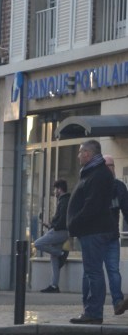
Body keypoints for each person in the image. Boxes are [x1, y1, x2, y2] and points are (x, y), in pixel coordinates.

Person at [67, 139, 114, 325]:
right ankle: (90, 310)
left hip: (94, 230)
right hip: (90, 230)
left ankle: (93, 312)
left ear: (88, 153)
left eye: (80, 152)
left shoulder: (98, 174)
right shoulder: (91, 172)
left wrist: (75, 221)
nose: (78, 156)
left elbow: (92, 205)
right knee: (90, 272)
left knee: (93, 272)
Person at [101, 155, 128, 316]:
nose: (109, 169)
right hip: (95, 236)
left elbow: (126, 209)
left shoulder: (119, 186)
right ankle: (90, 305)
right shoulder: (95, 185)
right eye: (106, 166)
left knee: (113, 270)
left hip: (111, 236)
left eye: (111, 166)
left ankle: (118, 302)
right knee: (92, 273)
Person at [34, 178, 70, 292]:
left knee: (37, 243)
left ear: (59, 189)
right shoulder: (64, 200)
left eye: (55, 189)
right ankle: (54, 285)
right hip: (61, 231)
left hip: (60, 231)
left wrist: (53, 226)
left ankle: (61, 253)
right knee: (54, 259)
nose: (54, 192)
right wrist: (50, 225)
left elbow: (62, 219)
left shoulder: (64, 201)